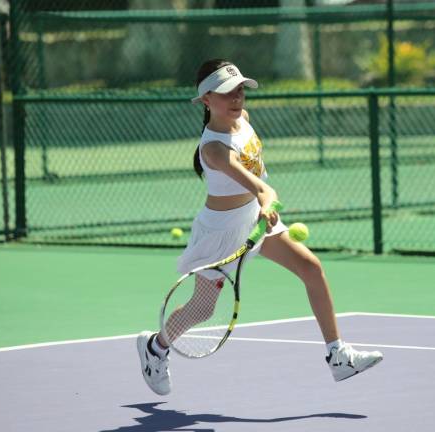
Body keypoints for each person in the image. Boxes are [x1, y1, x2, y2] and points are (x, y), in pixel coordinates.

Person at [137, 59, 382, 396]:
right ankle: (155, 348)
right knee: (203, 309)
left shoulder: (243, 121)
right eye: (226, 93)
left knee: (311, 267)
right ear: (206, 99)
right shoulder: (213, 149)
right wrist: (266, 202)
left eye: (239, 91)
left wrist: (263, 209)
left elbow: (259, 183)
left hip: (256, 219)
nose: (236, 99)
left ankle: (337, 355)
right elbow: (261, 187)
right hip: (221, 234)